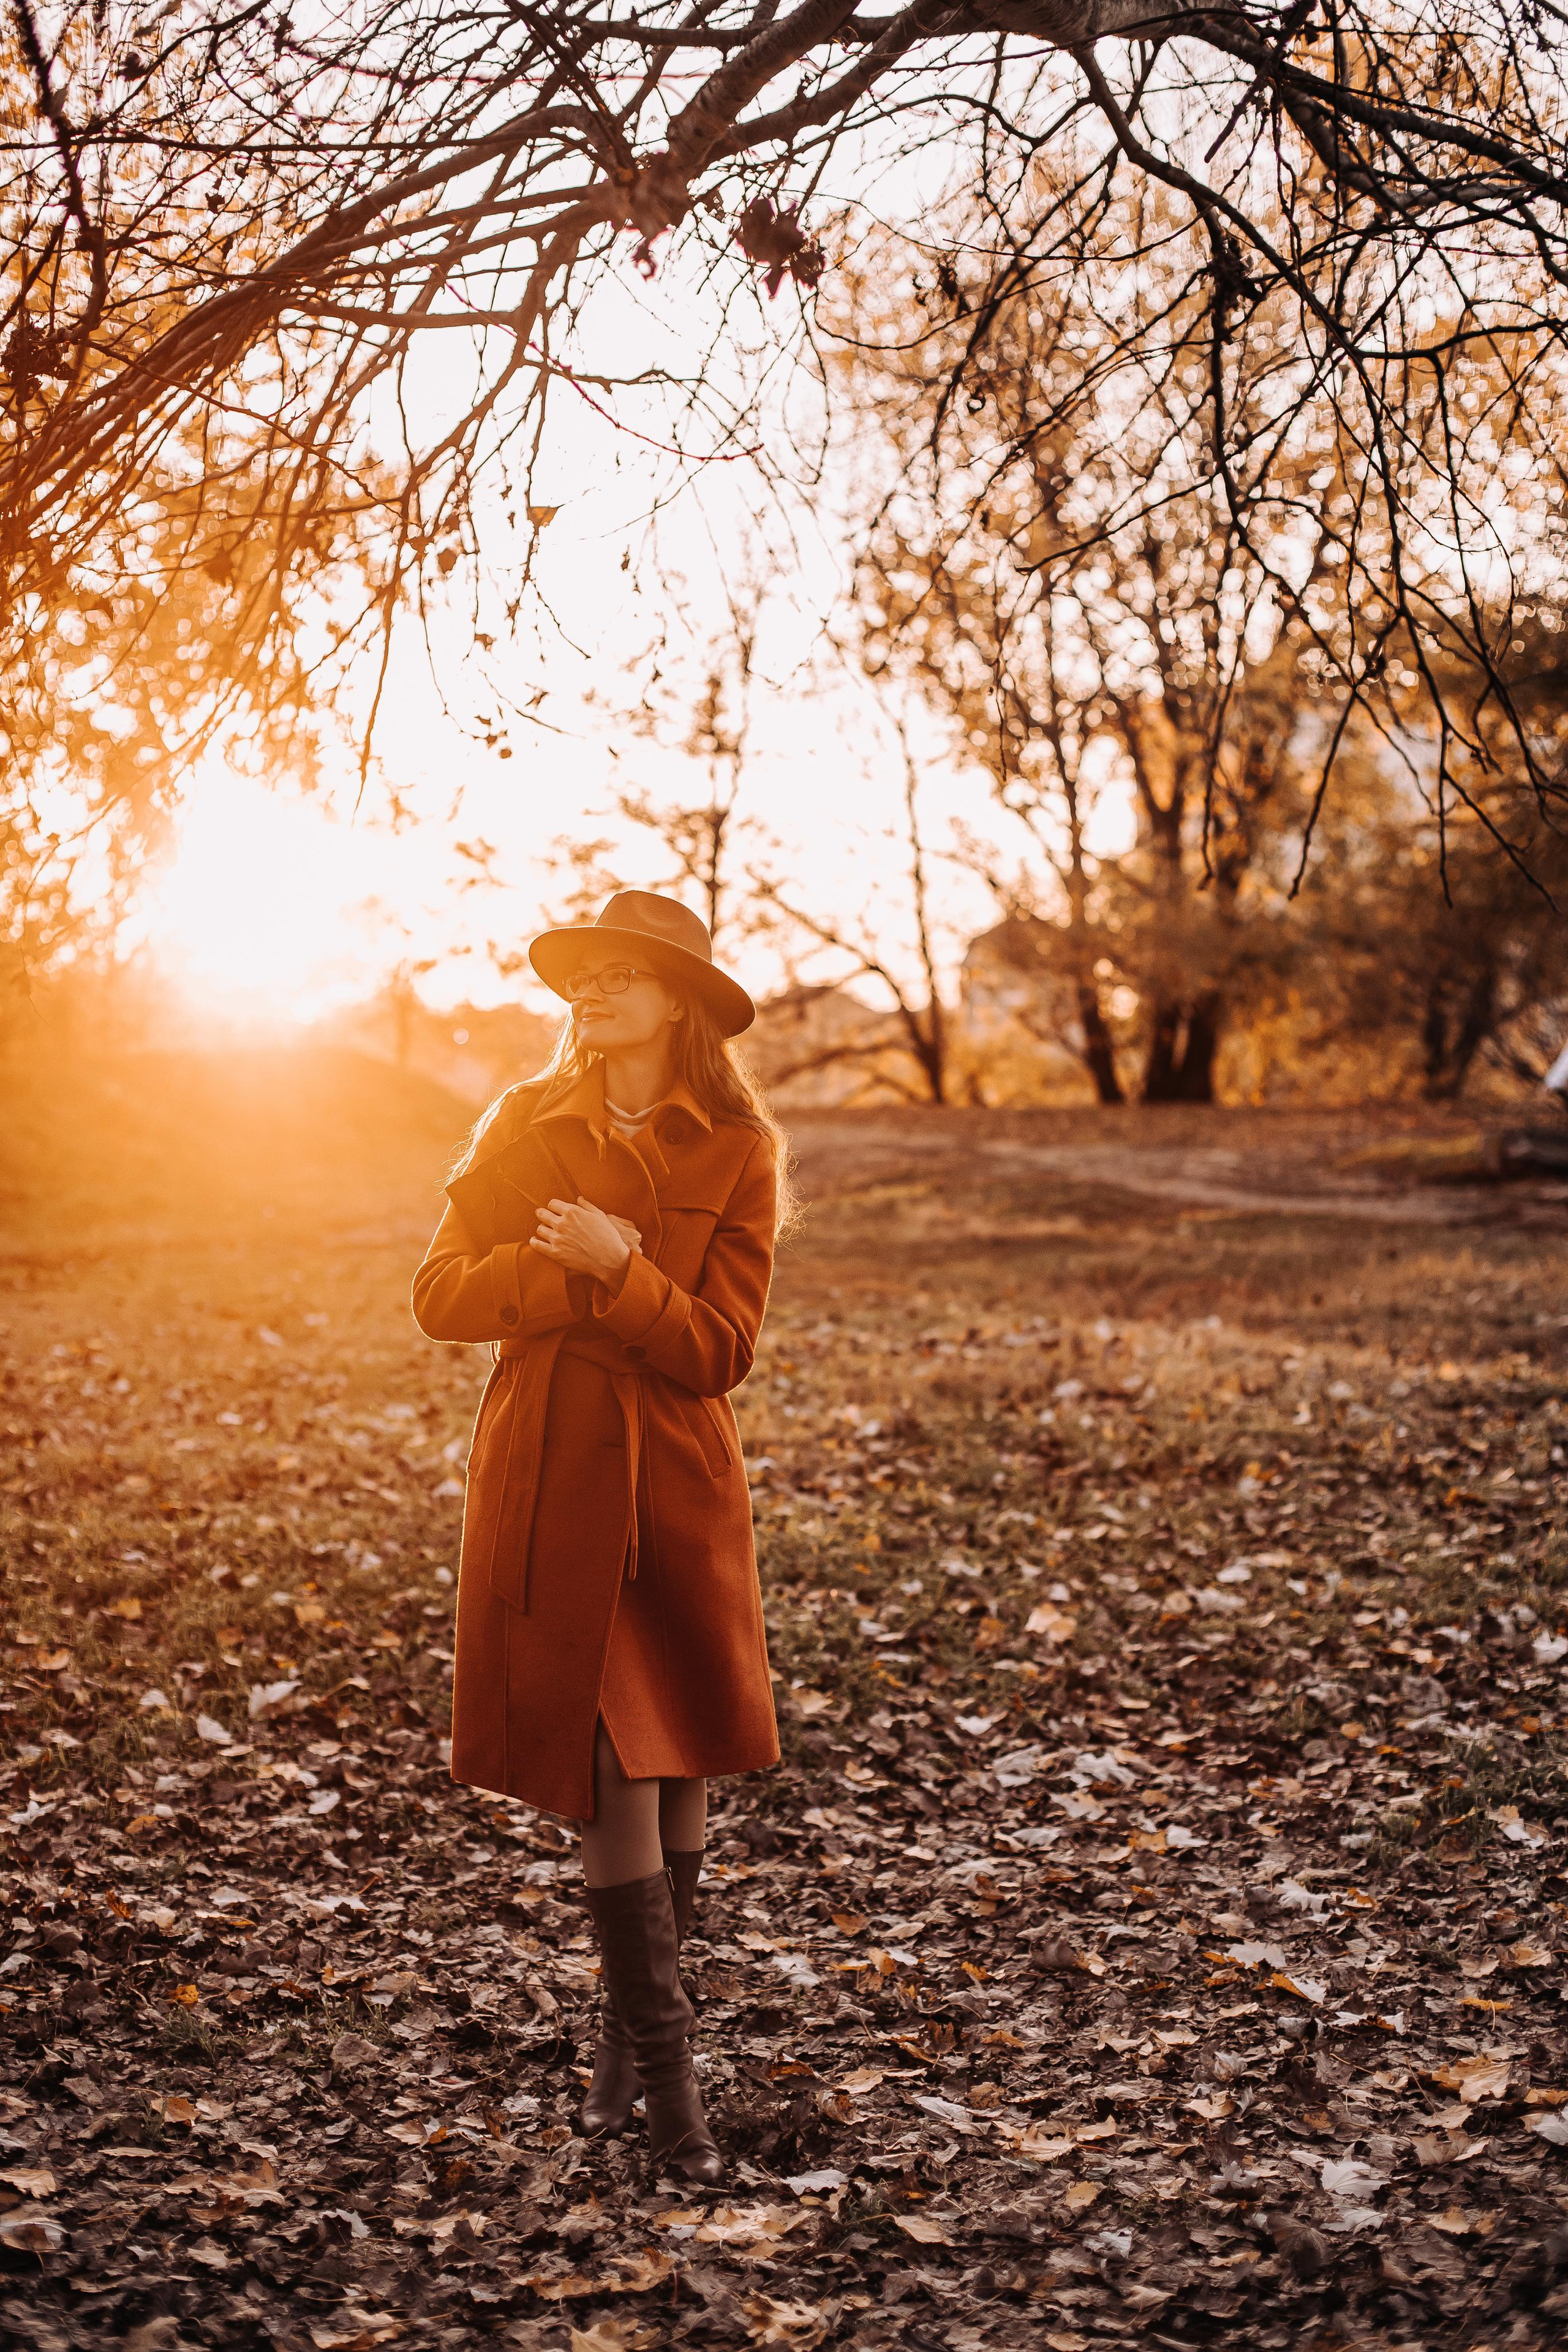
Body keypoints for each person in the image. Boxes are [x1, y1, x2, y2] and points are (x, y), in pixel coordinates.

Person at [410, 890, 786, 2185]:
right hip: (550, 1475)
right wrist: (570, 1269)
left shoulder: (738, 1148)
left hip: (676, 1483)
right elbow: (439, 1298)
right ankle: (675, 2109)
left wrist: (625, 1274)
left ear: (682, 1001)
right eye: (585, 976)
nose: (595, 993)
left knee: (675, 1764)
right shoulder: (522, 1127)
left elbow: (719, 1351)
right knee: (613, 1766)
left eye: (627, 975)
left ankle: (622, 2075)